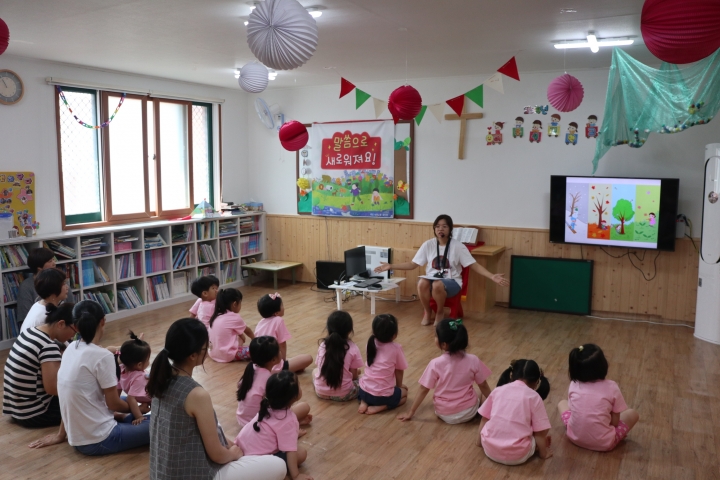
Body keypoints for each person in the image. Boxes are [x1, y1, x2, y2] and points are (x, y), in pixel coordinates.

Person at [147, 318, 286, 480]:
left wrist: (230, 447)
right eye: (206, 347)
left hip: (163, 473)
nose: (208, 350)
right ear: (193, 355)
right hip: (196, 474)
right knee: (278, 465)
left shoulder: (160, 378)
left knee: (219, 429)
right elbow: (217, 455)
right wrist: (233, 454)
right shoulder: (196, 394)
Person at [29, 300, 150, 454]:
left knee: (128, 400)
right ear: (103, 321)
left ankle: (123, 417)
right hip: (100, 439)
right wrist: (137, 409)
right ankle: (123, 417)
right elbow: (113, 404)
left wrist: (61, 435)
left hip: (77, 437)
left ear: (75, 326)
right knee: (161, 422)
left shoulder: (70, 348)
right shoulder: (103, 356)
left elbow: (67, 398)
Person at [375, 214, 509, 326]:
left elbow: (473, 265)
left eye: (444, 226)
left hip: (452, 282)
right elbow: (412, 264)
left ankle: (439, 312)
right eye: (438, 226)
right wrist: (391, 266)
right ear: (434, 229)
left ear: (450, 229)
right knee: (422, 283)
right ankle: (428, 311)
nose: (440, 229)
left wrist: (492, 276)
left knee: (437, 284)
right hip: (431, 279)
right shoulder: (428, 244)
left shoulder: (458, 246)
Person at [397, 318, 492, 424]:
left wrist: (411, 412)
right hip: (469, 413)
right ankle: (486, 414)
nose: (435, 337)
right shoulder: (473, 359)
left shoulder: (435, 363)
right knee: (478, 391)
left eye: (436, 336)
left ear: (443, 344)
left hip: (444, 413)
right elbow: (483, 385)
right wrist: (495, 402)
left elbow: (424, 389)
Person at [3, 303, 76, 428]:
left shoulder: (29, 332)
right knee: (87, 403)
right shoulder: (48, 345)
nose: (73, 336)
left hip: (15, 408)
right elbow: (53, 389)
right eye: (74, 331)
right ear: (61, 324)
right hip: (34, 413)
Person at [557, 344, 639, 452]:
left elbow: (573, 410)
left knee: (562, 403)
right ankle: (616, 436)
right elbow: (614, 423)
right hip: (605, 444)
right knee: (633, 414)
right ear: (603, 365)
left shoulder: (574, 384)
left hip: (573, 437)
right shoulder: (612, 387)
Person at [235, 371, 314, 480]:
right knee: (301, 453)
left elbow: (274, 429)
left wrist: (293, 433)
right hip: (254, 462)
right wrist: (296, 476)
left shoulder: (266, 406)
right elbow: (290, 451)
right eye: (299, 385)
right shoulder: (289, 420)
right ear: (294, 397)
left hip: (240, 450)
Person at [477, 359, 552, 465]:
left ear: (511, 376)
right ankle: (536, 447)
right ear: (536, 382)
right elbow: (540, 432)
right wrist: (544, 454)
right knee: (542, 427)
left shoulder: (498, 390)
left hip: (489, 450)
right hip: (518, 456)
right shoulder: (534, 397)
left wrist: (479, 443)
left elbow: (484, 418)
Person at [237, 336, 312, 429]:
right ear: (273, 360)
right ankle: (292, 424)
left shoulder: (250, 369)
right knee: (304, 407)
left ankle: (293, 423)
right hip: (259, 425)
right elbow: (280, 405)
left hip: (242, 420)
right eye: (279, 350)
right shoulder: (269, 379)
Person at [358, 314, 408, 415]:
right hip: (382, 397)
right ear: (394, 334)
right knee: (405, 395)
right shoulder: (396, 348)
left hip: (363, 391)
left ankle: (364, 402)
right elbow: (399, 370)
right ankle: (383, 406)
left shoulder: (370, 343)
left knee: (365, 383)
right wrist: (399, 386)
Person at [254, 293, 312, 373]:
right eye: (282, 305)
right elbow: (282, 344)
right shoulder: (278, 320)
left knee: (294, 360)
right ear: (276, 313)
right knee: (308, 358)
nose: (284, 307)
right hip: (275, 367)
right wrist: (283, 362)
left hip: (260, 365)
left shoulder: (260, 322)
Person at [313, 311, 363, 402]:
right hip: (344, 394)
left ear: (328, 328)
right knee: (364, 377)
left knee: (315, 371)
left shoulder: (323, 345)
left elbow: (319, 366)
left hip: (320, 392)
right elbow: (354, 376)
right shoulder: (353, 348)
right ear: (350, 330)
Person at [115, 331, 152, 424]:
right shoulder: (139, 377)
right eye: (147, 359)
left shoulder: (120, 369)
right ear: (139, 365)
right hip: (153, 398)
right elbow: (130, 398)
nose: (149, 362)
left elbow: (118, 391)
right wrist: (139, 416)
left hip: (152, 397)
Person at [208, 289, 255, 362]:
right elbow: (248, 331)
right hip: (227, 355)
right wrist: (255, 339)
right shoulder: (234, 317)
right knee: (258, 350)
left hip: (212, 354)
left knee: (240, 337)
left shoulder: (216, 315)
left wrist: (241, 335)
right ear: (235, 304)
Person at [20, 268, 69, 333]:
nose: (67, 287)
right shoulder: (46, 317)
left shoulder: (39, 304)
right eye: (63, 284)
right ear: (53, 290)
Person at [17, 247, 56, 323]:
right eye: (50, 261)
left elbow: (71, 309)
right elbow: (24, 317)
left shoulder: (61, 282)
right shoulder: (26, 287)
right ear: (39, 268)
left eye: (53, 260)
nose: (54, 263)